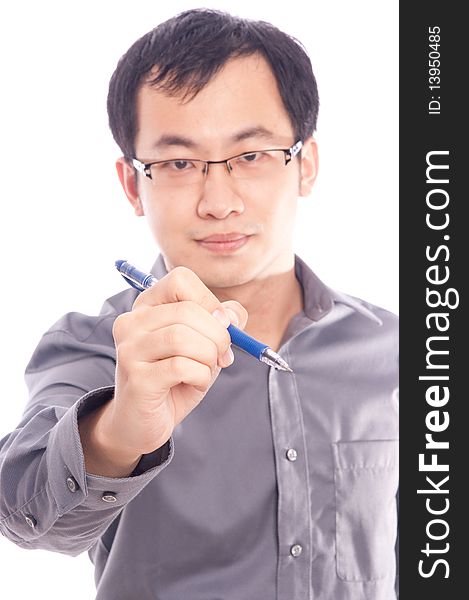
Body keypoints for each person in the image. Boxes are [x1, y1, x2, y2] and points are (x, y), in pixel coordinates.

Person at [0, 8, 398, 600]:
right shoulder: (93, 345)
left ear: (305, 165)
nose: (218, 201)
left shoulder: (401, 349)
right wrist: (119, 430)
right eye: (179, 164)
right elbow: (28, 521)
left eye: (252, 155)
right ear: (134, 185)